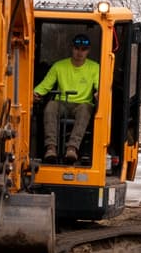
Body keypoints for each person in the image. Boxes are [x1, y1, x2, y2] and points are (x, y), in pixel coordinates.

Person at [35, 34, 99, 164]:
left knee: (86, 109)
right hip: (62, 103)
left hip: (82, 104)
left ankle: (72, 148)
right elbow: (45, 85)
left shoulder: (95, 67)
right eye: (77, 48)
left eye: (83, 49)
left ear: (88, 51)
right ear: (72, 48)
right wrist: (35, 93)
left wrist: (99, 93)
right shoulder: (59, 66)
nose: (79, 52)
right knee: (51, 106)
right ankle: (51, 148)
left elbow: (100, 87)